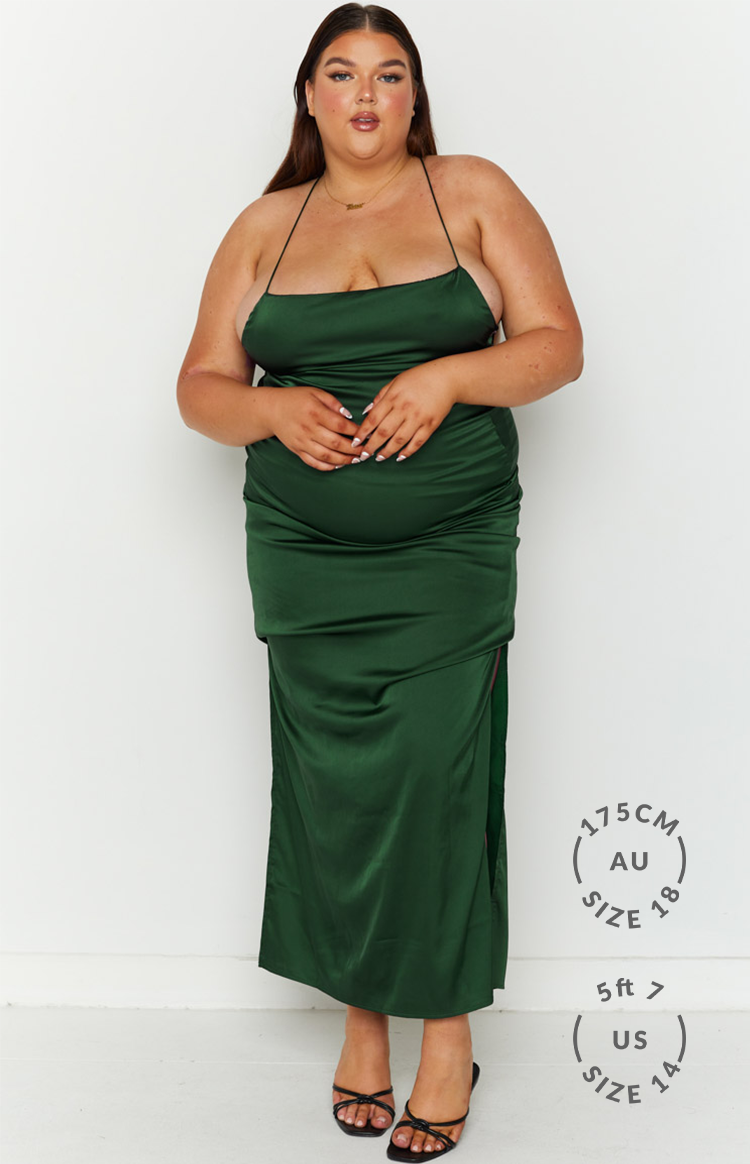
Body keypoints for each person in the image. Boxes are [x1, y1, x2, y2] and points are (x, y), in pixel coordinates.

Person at [177, 3, 583, 1157]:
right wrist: (267, 409)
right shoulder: (264, 225)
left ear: (415, 96)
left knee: (435, 780)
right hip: (304, 559)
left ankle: (445, 1037)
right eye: (342, 72)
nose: (365, 92)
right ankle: (362, 1021)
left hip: (447, 547)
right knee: (334, 789)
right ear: (308, 97)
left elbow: (557, 345)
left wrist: (449, 377)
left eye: (390, 73)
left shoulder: (473, 192)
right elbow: (200, 387)